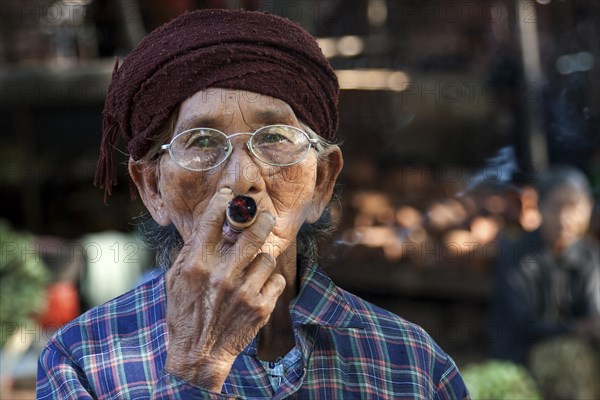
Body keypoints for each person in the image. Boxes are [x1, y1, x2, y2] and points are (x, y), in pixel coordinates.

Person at [37, 9, 469, 399]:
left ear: (322, 181)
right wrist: (197, 371)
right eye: (202, 142)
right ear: (152, 188)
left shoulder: (411, 364)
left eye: (275, 139)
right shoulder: (83, 363)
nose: (242, 178)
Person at [491, 165, 599, 396]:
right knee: (570, 357)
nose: (565, 218)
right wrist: (575, 328)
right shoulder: (518, 256)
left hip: (576, 349)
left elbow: (592, 314)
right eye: (556, 207)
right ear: (539, 207)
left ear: (588, 208)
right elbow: (523, 325)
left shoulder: (589, 257)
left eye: (573, 207)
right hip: (523, 355)